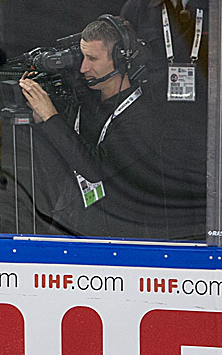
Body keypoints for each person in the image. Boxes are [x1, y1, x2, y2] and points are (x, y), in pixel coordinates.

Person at [120, 0, 222, 240]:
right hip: (160, 137)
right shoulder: (138, 7)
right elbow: (126, 78)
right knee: (165, 229)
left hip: (211, 130)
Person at [20, 15, 170, 240]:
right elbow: (59, 164)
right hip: (71, 224)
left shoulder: (142, 117)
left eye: (92, 58)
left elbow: (93, 168)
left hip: (119, 237)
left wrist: (51, 117)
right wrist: (42, 121)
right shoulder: (85, 103)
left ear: (120, 60)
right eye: (82, 57)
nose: (82, 68)